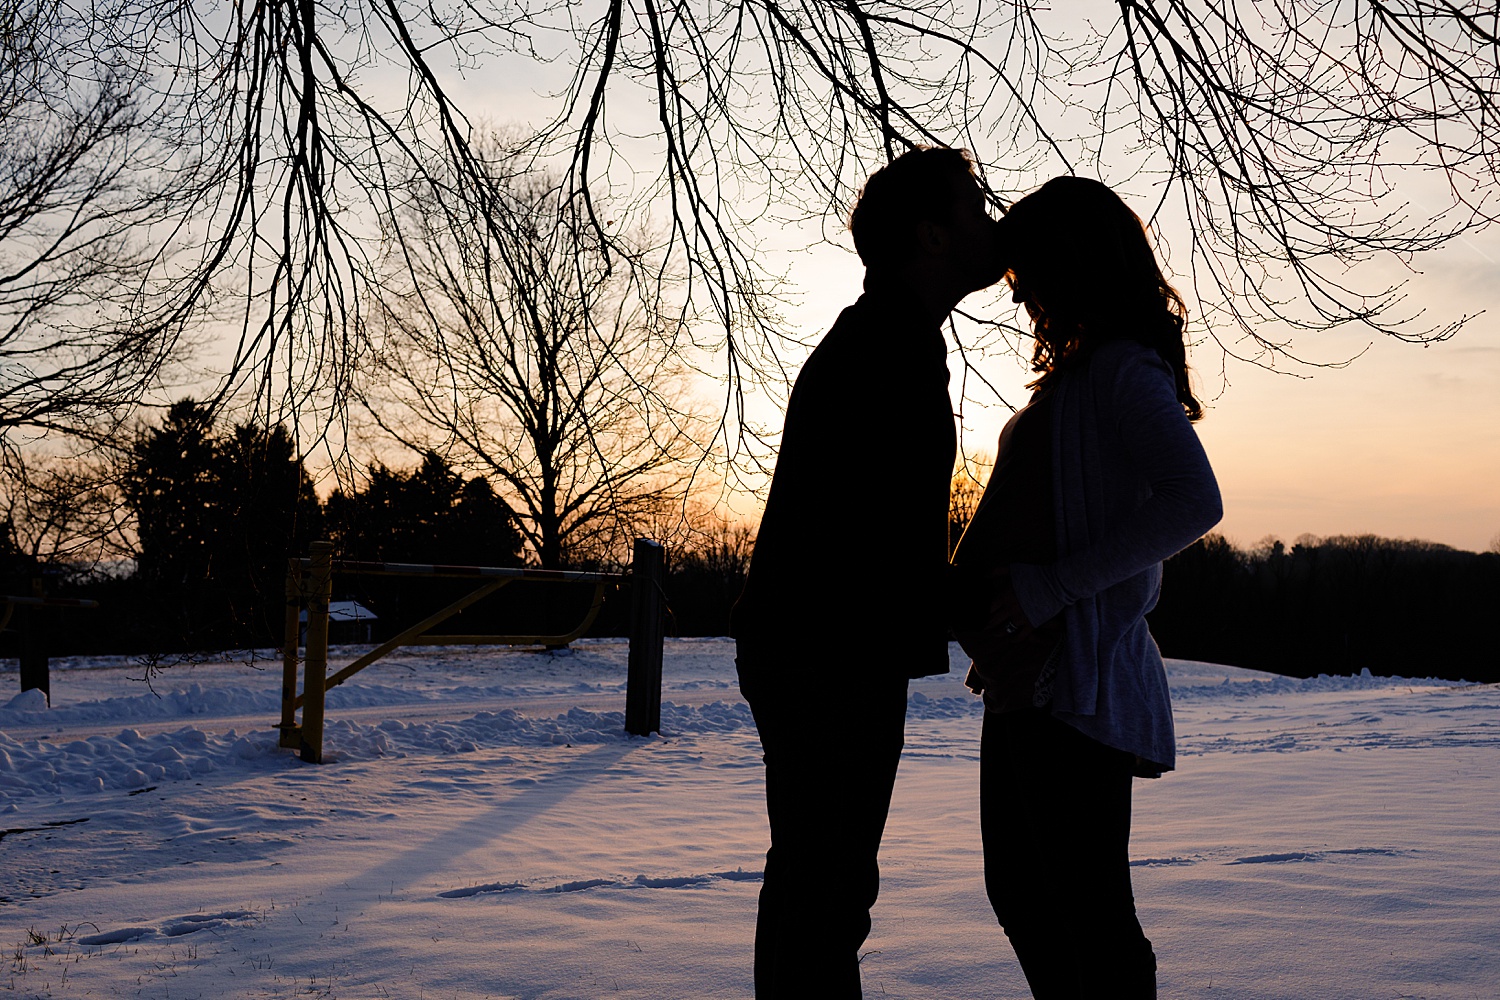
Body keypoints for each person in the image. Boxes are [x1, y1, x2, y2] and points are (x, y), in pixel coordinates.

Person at [731, 146, 1003, 998]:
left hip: (820, 645)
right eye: (974, 209)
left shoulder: (889, 337)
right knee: (827, 889)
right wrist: (995, 618)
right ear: (930, 237)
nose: (990, 224)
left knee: (820, 884)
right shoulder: (886, 349)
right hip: (829, 651)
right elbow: (878, 537)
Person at [950, 176, 1222, 998]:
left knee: (1084, 911)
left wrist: (1051, 590)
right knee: (1029, 896)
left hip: (1077, 684)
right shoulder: (1079, 375)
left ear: (1072, 266)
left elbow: (1194, 500)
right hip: (1028, 682)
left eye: (1029, 275)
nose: (1023, 296)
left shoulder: (1121, 372)